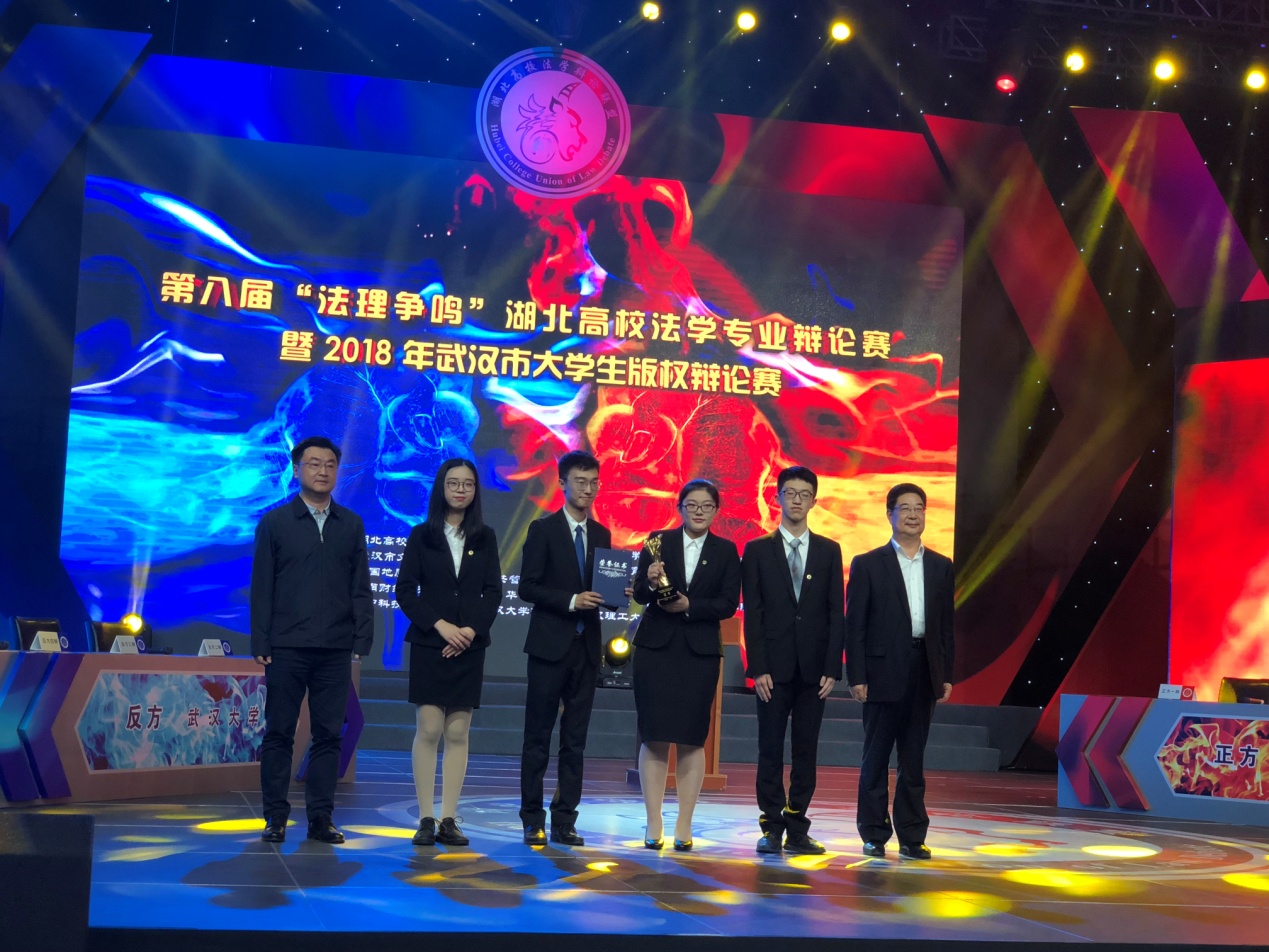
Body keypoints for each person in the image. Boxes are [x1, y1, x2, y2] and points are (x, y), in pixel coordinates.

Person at [251, 436, 372, 845]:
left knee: (329, 736)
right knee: (279, 733)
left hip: (335, 647)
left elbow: (360, 587)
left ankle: (321, 818)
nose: (323, 471)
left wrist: (361, 637)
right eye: (314, 463)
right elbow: (262, 587)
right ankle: (275, 817)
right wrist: (261, 641)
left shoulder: (350, 524)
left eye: (330, 464)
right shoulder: (275, 523)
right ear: (297, 469)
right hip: (286, 647)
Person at [396, 458, 504, 847]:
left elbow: (493, 591)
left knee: (458, 732)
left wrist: (470, 631)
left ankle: (448, 819)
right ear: (441, 487)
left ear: (475, 491)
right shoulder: (421, 535)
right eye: (453, 483)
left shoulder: (485, 537)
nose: (460, 490)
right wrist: (440, 626)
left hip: (469, 646)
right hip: (431, 643)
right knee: (429, 729)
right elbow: (405, 591)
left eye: (468, 484)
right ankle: (425, 817)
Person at [846, 482, 955, 861]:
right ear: (889, 514)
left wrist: (946, 673)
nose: (912, 515)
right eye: (904, 508)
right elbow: (855, 626)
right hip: (880, 672)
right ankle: (874, 833)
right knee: (875, 757)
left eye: (919, 508)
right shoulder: (868, 563)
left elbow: (946, 626)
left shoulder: (941, 566)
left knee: (914, 758)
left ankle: (912, 835)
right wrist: (857, 676)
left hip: (924, 669)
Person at [632, 479, 741, 851]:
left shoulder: (726, 551)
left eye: (706, 505)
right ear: (679, 507)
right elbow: (640, 593)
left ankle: (684, 823)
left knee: (692, 738)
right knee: (654, 735)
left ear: (716, 511)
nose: (698, 511)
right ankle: (653, 822)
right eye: (691, 504)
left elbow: (728, 603)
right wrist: (649, 583)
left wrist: (690, 605)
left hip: (699, 653)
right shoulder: (657, 542)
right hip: (656, 649)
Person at [741, 465, 844, 855]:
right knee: (769, 749)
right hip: (772, 669)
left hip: (814, 671)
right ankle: (771, 827)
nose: (797, 500)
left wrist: (833, 667)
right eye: (790, 493)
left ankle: (798, 826)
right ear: (777, 498)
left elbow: (836, 613)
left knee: (806, 750)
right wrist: (758, 667)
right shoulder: (757, 550)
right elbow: (754, 613)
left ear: (814, 501)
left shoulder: (829, 551)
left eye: (804, 494)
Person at [518, 450, 611, 846]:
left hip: (586, 649)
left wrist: (617, 594)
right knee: (537, 737)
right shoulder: (543, 530)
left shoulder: (602, 535)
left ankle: (565, 820)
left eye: (593, 483)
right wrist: (572, 600)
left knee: (575, 741)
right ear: (562, 484)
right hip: (548, 647)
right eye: (580, 482)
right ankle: (532, 819)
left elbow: (603, 590)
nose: (587, 489)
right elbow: (528, 587)